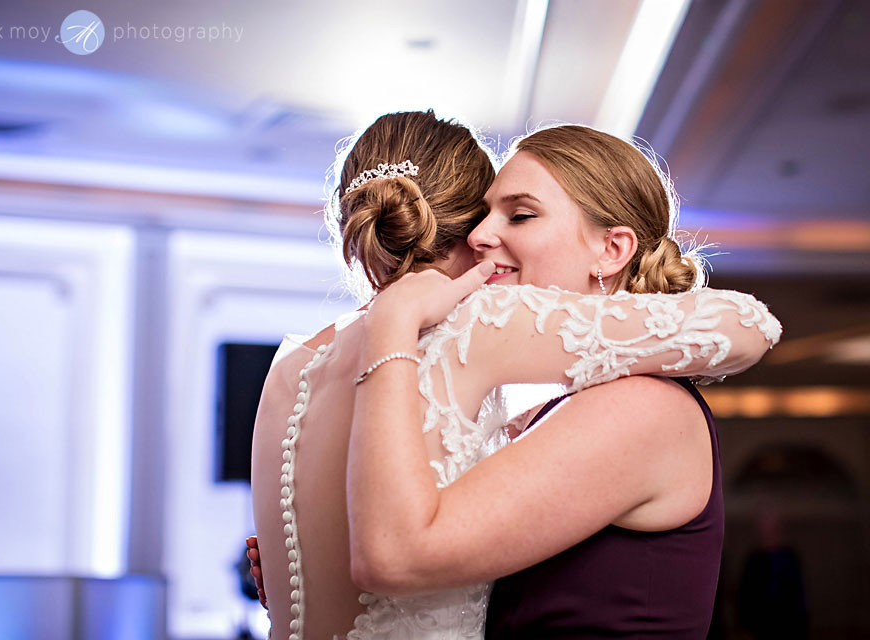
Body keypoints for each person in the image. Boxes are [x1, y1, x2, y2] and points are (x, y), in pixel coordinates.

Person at [250, 114, 780, 640]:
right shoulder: (550, 409)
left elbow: (752, 324)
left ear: (611, 249)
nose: (481, 236)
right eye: (482, 215)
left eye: (520, 216)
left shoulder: (646, 407)